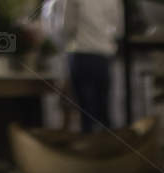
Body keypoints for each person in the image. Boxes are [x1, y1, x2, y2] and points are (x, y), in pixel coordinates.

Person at [41, 0, 123, 132]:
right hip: (103, 56)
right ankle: (107, 147)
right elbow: (118, 29)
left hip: (80, 54)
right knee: (104, 108)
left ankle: (89, 146)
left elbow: (66, 26)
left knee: (85, 112)